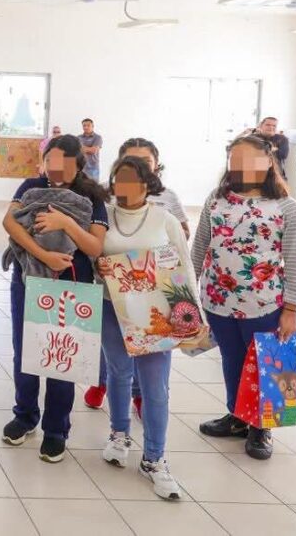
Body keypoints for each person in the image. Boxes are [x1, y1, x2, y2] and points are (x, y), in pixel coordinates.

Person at [195, 134, 296, 460]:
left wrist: (291, 310)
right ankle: (238, 416)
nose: (241, 167)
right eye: (235, 160)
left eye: (249, 160)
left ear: (267, 162)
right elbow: (199, 246)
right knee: (232, 361)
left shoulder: (286, 207)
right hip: (218, 301)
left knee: (263, 365)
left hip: (265, 304)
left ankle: (261, 426)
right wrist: (186, 290)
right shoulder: (217, 199)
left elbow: (295, 262)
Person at [2, 134, 109, 463]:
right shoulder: (31, 186)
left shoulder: (92, 195)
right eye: (50, 161)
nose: (55, 168)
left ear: (79, 164)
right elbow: (9, 223)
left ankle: (56, 429)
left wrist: (65, 223)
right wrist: (43, 255)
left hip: (73, 284)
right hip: (30, 278)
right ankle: (24, 415)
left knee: (62, 355)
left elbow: (95, 246)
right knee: (26, 350)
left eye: (63, 162)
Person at [94, 156, 187, 500]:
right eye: (118, 178)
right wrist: (99, 266)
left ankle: (154, 457)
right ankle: (119, 435)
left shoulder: (164, 219)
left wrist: (188, 317)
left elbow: (183, 265)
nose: (124, 185)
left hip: (155, 312)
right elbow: (91, 254)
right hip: (111, 306)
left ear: (147, 183)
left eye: (131, 179)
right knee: (118, 372)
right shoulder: (103, 214)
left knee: (155, 386)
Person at [84, 136, 189, 412]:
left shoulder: (167, 198)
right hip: (112, 295)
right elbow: (94, 240)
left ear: (156, 165)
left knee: (151, 360)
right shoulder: (105, 195)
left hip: (152, 295)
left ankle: (142, 395)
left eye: (145, 161)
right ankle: (102, 384)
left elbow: (182, 237)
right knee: (113, 355)